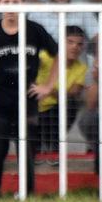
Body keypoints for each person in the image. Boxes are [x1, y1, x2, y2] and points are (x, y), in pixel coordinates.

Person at [0, 0, 59, 197]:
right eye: (6, 2)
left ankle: (27, 193)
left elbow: (58, 53)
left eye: (16, 2)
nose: (11, 7)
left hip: (27, 102)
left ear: (23, 4)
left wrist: (48, 86)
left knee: (27, 152)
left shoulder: (35, 30)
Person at [35, 25, 88, 154]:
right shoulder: (44, 57)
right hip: (33, 108)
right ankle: (36, 145)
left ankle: (54, 146)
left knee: (70, 103)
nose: (75, 47)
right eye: (70, 42)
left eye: (79, 44)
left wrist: (49, 90)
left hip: (55, 113)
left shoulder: (82, 68)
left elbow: (72, 94)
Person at [28, 0, 99, 44]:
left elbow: (98, 38)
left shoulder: (82, 8)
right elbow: (30, 43)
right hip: (46, 65)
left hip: (78, 64)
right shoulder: (36, 13)